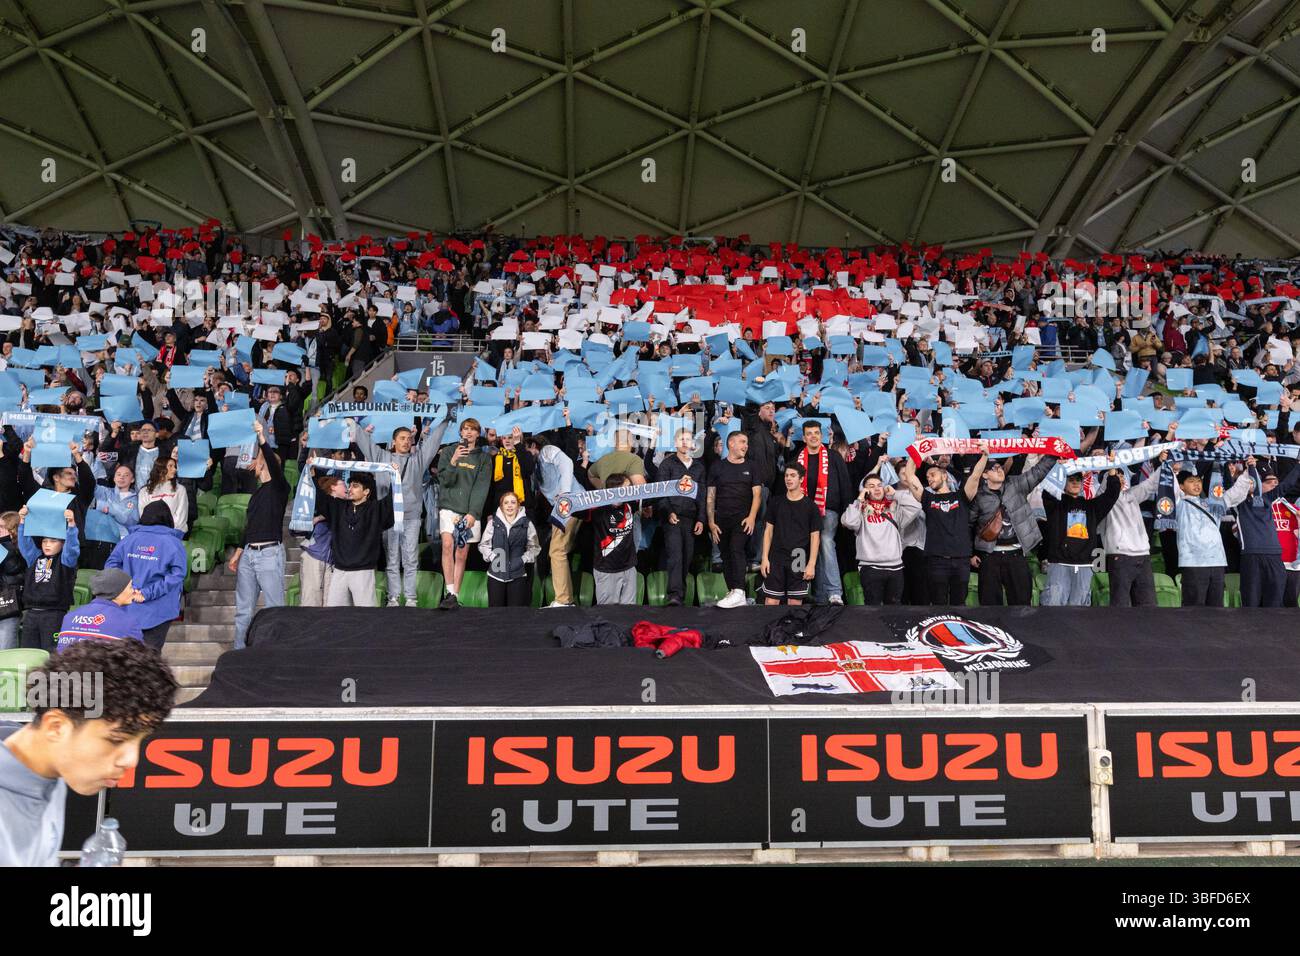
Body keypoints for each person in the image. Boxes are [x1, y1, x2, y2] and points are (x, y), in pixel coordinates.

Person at [0, 639, 175, 866]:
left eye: (140, 740)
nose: (131, 760)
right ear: (56, 726)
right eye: (116, 740)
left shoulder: (51, 773)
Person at [354, 416, 447, 607]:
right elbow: (364, 441)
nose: (406, 441)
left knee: (411, 559)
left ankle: (411, 598)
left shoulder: (417, 461)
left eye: (408, 438)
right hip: (388, 518)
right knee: (392, 559)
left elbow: (432, 443)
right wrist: (352, 423)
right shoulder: (381, 457)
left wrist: (446, 421)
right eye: (402, 438)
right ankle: (393, 598)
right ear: (394, 441)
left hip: (411, 518)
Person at [227, 420, 291, 649]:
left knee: (274, 609)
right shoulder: (257, 493)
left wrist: (262, 438)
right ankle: (239, 654)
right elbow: (250, 526)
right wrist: (238, 552)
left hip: (269, 554)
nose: (256, 458)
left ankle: (276, 653)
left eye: (261, 457)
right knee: (243, 611)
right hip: (249, 555)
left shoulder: (280, 488)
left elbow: (272, 463)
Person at [968, 452, 1055, 606]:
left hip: (1016, 555)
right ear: (985, 475)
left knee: (1022, 604)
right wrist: (971, 553)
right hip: (989, 557)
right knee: (989, 605)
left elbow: (1038, 472)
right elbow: (968, 525)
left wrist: (1053, 454)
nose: (1000, 469)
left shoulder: (1016, 484)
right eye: (994, 468)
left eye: (1000, 467)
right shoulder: (979, 495)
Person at [103, 501, 187, 650]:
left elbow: (111, 566)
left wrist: (129, 590)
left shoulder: (128, 540)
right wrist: (146, 593)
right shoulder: (174, 543)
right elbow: (177, 575)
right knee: (150, 661)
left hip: (127, 607)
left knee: (126, 657)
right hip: (159, 611)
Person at [900, 455, 981, 606]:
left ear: (944, 475)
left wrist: (985, 456)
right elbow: (910, 475)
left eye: (932, 475)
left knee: (959, 605)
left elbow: (975, 476)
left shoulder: (961, 496)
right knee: (938, 606)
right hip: (936, 561)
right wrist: (916, 452)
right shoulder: (928, 498)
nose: (929, 479)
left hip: (961, 559)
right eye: (927, 477)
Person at [1174, 462, 1253, 607]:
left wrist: (1248, 471)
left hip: (1217, 562)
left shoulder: (1213, 503)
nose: (1196, 485)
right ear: (1181, 486)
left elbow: (1236, 493)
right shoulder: (1178, 503)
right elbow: (1169, 488)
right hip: (1193, 563)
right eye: (1191, 482)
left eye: (1198, 481)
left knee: (1217, 610)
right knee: (1193, 610)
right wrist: (1173, 470)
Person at [1041, 469, 1122, 606]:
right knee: (1052, 608)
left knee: (1079, 613)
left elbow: (1111, 495)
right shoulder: (1056, 506)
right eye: (1071, 480)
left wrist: (1112, 473)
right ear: (1063, 483)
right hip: (1060, 563)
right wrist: (1059, 469)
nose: (1075, 482)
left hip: (1085, 565)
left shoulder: (1092, 507)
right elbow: (1047, 491)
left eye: (1078, 480)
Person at [791, 421, 851, 605]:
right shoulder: (796, 458)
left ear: (822, 436)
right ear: (804, 437)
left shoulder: (833, 457)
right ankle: (807, 592)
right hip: (802, 512)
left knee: (825, 542)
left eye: (817, 433)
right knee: (802, 547)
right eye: (809, 433)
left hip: (828, 509)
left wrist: (846, 511)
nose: (813, 436)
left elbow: (845, 484)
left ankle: (834, 592)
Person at [435, 418, 491, 609]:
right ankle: (449, 591)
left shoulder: (484, 458)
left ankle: (454, 596)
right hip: (448, 507)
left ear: (478, 434)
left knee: (461, 552)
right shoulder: (449, 451)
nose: (468, 432)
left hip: (469, 511)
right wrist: (453, 461)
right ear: (460, 432)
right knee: (447, 544)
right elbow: (445, 481)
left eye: (472, 429)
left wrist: (473, 513)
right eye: (465, 429)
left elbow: (481, 487)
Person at [841, 473, 922, 606]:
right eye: (871, 486)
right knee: (872, 612)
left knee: (894, 612)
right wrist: (860, 499)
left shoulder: (894, 508)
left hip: (896, 567)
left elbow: (916, 507)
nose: (877, 488)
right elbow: (849, 521)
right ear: (865, 490)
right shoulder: (860, 510)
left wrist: (895, 494)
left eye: (879, 485)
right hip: (870, 568)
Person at [318, 472, 394, 608]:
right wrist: (311, 473)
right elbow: (320, 497)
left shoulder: (376, 509)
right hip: (339, 571)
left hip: (363, 572)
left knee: (365, 619)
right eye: (350, 485)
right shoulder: (339, 507)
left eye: (355, 486)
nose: (349, 489)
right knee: (333, 618)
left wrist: (395, 476)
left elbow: (393, 499)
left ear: (366, 491)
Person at [707, 430, 761, 609]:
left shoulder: (752, 466)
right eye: (742, 442)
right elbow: (710, 496)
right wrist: (711, 522)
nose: (746, 446)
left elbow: (757, 495)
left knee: (736, 549)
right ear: (731, 444)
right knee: (725, 555)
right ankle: (734, 591)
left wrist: (752, 517)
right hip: (721, 520)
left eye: (746, 442)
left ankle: (739, 590)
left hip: (743, 519)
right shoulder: (717, 466)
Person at [16, 506, 80, 653]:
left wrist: (71, 525)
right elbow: (24, 544)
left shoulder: (65, 560)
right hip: (31, 614)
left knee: (51, 654)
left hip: (54, 615)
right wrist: (22, 521)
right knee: (28, 654)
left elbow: (72, 548)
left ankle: (51, 678)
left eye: (53, 541)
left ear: (62, 544)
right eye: (44, 541)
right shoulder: (34, 557)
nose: (47, 544)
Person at [759, 463, 821, 605]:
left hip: (798, 556)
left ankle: (792, 628)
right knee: (771, 601)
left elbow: (815, 537)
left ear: (801, 479)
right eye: (786, 475)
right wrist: (764, 558)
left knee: (794, 603)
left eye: (792, 475)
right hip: (777, 556)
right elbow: (768, 532)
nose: (788, 478)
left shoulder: (811, 507)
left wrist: (811, 563)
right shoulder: (775, 502)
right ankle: (770, 628)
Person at [656, 427, 705, 605]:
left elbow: (702, 494)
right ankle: (674, 595)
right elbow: (661, 492)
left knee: (687, 556)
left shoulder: (699, 467)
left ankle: (681, 593)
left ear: (693, 444)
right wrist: (668, 512)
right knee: (675, 554)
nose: (685, 442)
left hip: (690, 518)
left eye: (688, 439)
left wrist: (701, 518)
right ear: (676, 443)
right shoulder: (667, 465)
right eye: (681, 439)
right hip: (673, 517)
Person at [54, 568, 145, 651]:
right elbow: (138, 660)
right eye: (130, 587)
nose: (134, 591)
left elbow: (60, 653)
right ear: (117, 591)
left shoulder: (69, 616)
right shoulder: (128, 623)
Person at [478, 490, 540, 606]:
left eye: (513, 502)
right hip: (496, 575)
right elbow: (483, 545)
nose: (510, 505)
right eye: (506, 503)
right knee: (495, 613)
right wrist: (493, 558)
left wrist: (523, 559)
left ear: (518, 505)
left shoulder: (527, 524)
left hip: (518, 575)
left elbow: (535, 547)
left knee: (515, 614)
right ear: (501, 506)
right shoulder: (492, 523)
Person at [591, 474, 638, 604]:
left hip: (629, 567)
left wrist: (678, 485)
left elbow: (656, 494)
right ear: (615, 489)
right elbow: (576, 510)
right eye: (627, 487)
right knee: (608, 614)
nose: (631, 490)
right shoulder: (598, 508)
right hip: (607, 569)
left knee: (629, 613)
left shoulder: (630, 504)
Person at [299, 475, 343, 607]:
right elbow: (296, 529)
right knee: (311, 601)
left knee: (331, 604)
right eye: (343, 484)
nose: (347, 488)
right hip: (314, 557)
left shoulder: (345, 508)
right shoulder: (320, 505)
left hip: (332, 562)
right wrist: (318, 518)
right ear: (333, 487)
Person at [137, 454, 189, 534]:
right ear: (160, 468)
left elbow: (181, 516)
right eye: (170, 466)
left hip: (173, 533)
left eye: (175, 466)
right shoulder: (144, 491)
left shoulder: (180, 489)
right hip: (150, 533)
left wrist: (168, 532)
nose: (175, 469)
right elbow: (144, 516)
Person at [0, 512, 24, 650]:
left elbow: (13, 568)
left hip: (8, 605)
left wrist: (5, 542)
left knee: (5, 649)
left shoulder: (20, 549)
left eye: (2, 526)